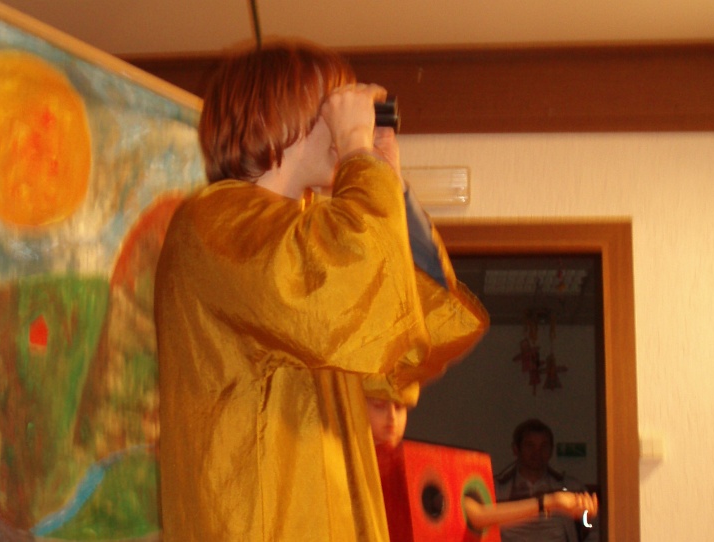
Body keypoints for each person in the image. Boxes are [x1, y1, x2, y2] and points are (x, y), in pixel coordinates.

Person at [154, 40, 489, 541]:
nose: (345, 118)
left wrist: (387, 178)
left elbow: (409, 340)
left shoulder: (311, 235)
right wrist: (356, 151)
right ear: (277, 112)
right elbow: (348, 297)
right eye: (332, 103)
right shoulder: (213, 225)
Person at [366, 399, 597, 539]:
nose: (391, 418)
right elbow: (473, 514)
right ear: (516, 449)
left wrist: (558, 504)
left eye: (400, 407)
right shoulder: (498, 486)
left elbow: (472, 513)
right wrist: (550, 503)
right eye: (378, 405)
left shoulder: (570, 485)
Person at [494, 419, 600, 542]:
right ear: (516, 449)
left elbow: (592, 529)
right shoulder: (496, 489)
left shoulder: (572, 488)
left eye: (544, 446)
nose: (537, 452)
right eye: (530, 445)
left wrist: (586, 519)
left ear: (551, 450)